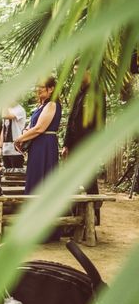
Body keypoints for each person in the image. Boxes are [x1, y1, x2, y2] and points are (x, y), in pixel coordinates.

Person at [62, 69, 106, 223]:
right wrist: (66, 144)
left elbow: (100, 123)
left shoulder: (97, 92)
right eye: (74, 71)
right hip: (74, 146)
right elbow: (71, 120)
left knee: (89, 181)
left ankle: (93, 220)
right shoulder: (78, 92)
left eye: (79, 70)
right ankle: (75, 220)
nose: (76, 74)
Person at [15, 77, 62, 195]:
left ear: (51, 89)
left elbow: (40, 128)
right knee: (34, 173)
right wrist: (25, 131)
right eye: (37, 86)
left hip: (45, 145)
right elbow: (32, 125)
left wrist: (19, 139)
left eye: (41, 86)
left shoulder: (52, 104)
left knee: (42, 175)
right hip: (37, 144)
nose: (38, 89)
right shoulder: (41, 106)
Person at [1, 103, 27, 170]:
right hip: (5, 149)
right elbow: (4, 128)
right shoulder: (7, 109)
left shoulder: (19, 109)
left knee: (17, 175)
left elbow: (5, 115)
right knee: (7, 176)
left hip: (16, 150)